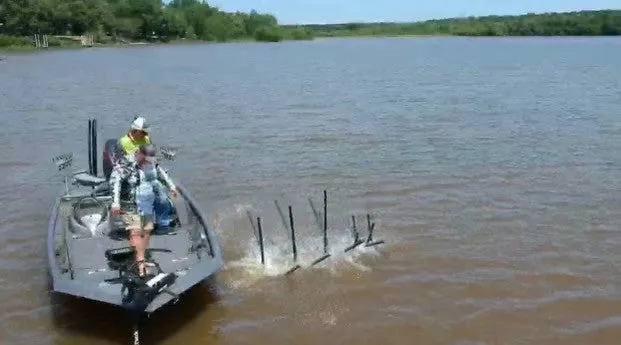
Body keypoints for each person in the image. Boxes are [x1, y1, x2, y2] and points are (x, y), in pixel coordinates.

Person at [110, 144, 178, 277]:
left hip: (145, 204)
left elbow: (160, 173)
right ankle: (140, 265)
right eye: (146, 159)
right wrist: (115, 203)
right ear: (138, 154)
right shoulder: (125, 165)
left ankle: (139, 256)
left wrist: (171, 186)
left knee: (146, 231)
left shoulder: (151, 163)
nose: (148, 162)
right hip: (129, 204)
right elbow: (115, 183)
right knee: (135, 232)